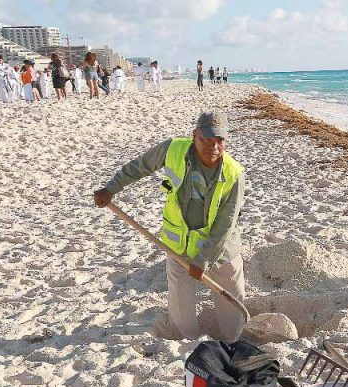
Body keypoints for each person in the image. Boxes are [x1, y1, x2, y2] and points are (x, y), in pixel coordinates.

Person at [92, 111, 247, 341]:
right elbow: (140, 166)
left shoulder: (234, 174)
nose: (213, 146)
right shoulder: (173, 150)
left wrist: (203, 260)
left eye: (219, 140)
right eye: (206, 139)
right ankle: (187, 342)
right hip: (179, 246)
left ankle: (234, 341)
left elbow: (225, 225)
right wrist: (112, 187)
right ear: (195, 135)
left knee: (232, 304)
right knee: (180, 303)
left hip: (221, 251)